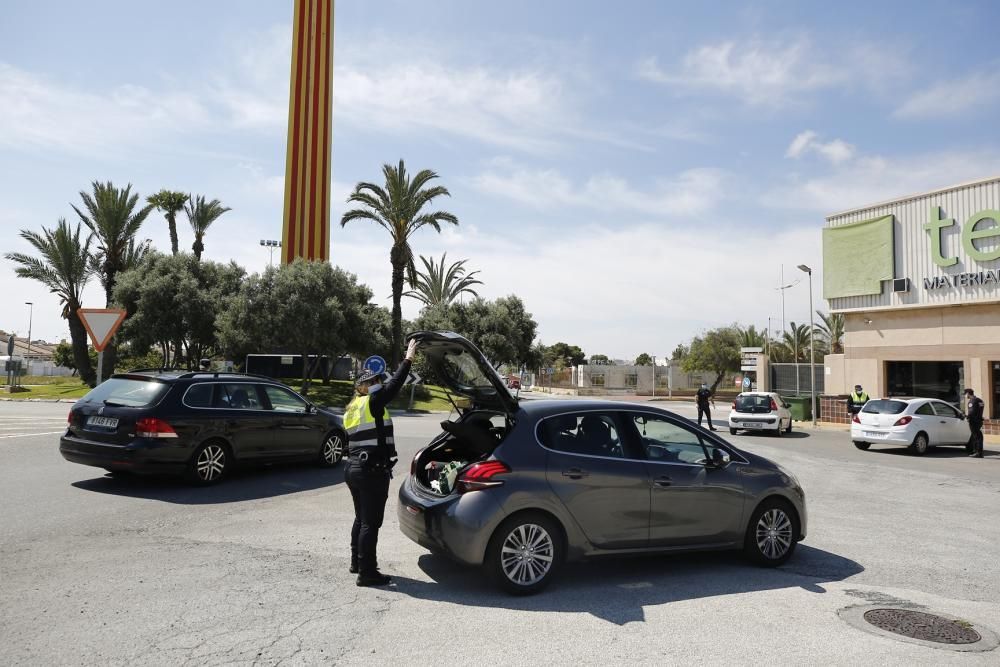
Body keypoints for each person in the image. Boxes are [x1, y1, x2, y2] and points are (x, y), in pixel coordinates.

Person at [344, 339, 418, 587]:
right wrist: (408, 358)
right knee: (371, 523)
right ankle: (367, 573)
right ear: (364, 386)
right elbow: (395, 384)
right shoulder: (373, 403)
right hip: (370, 470)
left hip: (353, 468)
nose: (379, 384)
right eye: (374, 381)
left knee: (360, 519)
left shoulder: (353, 406)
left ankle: (356, 562)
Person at [964, 388, 985, 458]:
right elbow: (980, 410)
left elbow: (971, 412)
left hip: (973, 421)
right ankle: (979, 452)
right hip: (979, 421)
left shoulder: (972, 401)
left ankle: (977, 452)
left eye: (965, 394)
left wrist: (967, 417)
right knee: (979, 436)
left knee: (976, 437)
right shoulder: (980, 400)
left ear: (968, 394)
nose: (965, 396)